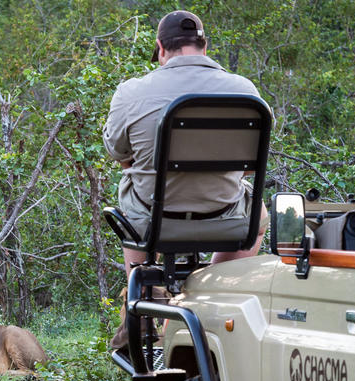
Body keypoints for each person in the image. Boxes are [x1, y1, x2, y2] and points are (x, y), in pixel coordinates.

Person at [102, 10, 268, 284]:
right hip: (222, 215)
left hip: (154, 219)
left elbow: (117, 153)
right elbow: (251, 167)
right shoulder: (245, 91)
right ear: (205, 47)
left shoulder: (131, 92)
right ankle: (213, 283)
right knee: (258, 217)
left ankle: (142, 288)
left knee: (133, 186)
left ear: (161, 48)